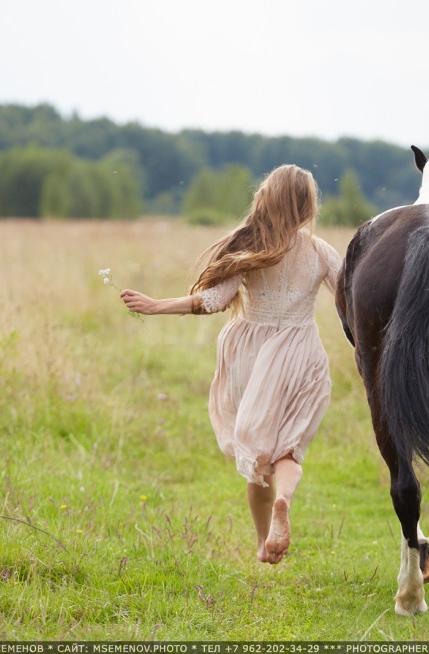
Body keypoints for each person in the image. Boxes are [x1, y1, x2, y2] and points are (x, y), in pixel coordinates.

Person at [120, 164, 343, 565]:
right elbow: (354, 295)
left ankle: (262, 543)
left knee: (258, 462)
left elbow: (212, 301)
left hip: (252, 355)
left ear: (267, 198)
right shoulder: (320, 252)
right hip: (301, 355)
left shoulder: (251, 250)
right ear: (308, 206)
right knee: (288, 451)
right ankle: (284, 504)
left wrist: (156, 306)